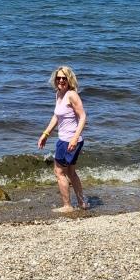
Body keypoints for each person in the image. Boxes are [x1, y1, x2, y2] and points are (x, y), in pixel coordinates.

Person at [37, 66, 88, 213]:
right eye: (58, 78)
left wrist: (74, 139)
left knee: (59, 172)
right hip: (68, 140)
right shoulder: (59, 94)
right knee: (71, 172)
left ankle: (67, 206)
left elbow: (83, 117)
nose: (60, 80)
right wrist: (46, 133)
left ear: (69, 79)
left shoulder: (72, 95)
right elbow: (56, 116)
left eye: (64, 78)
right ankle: (82, 203)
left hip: (69, 140)